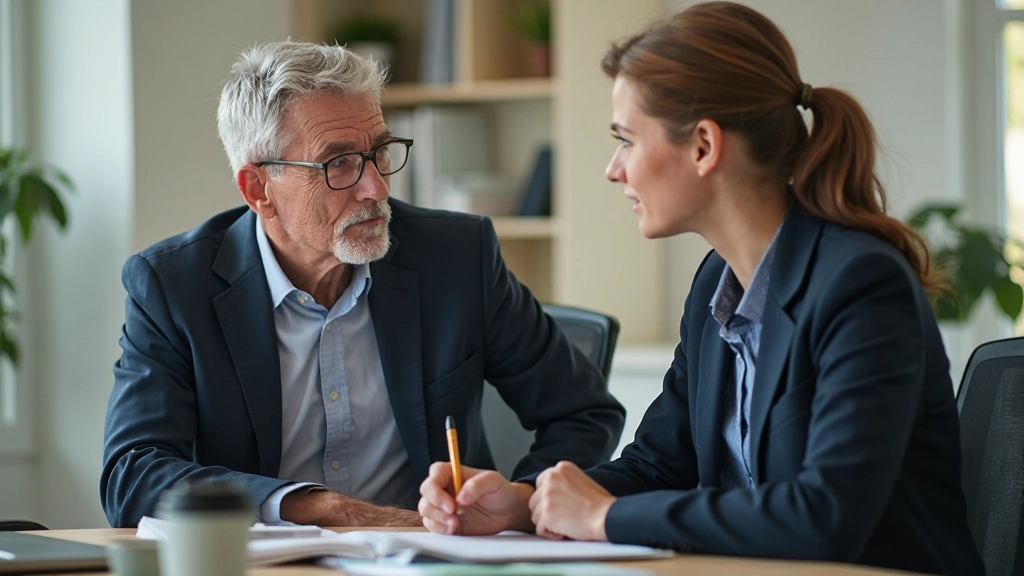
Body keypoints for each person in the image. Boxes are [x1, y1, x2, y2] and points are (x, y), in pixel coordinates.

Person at [417, 3, 984, 574]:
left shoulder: (861, 286)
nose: (614, 169)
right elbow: (658, 466)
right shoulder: (718, 283)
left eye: (627, 140)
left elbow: (824, 516)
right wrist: (524, 503)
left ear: (704, 147)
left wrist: (604, 519)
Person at [100, 41, 625, 529]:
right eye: (339, 163)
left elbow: (583, 411)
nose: (375, 188)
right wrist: (322, 508)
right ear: (258, 188)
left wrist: (520, 499)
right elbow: (132, 473)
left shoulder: (456, 257)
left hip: (432, 560)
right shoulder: (173, 286)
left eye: (378, 152)